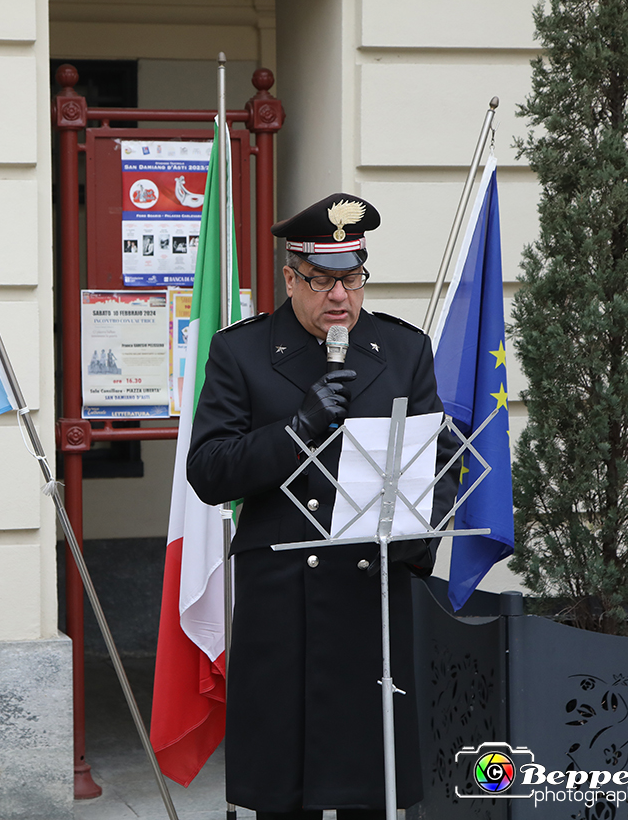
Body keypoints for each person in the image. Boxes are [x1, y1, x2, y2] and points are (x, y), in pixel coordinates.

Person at [187, 193, 459, 819]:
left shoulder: (403, 350)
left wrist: (419, 547)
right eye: (323, 280)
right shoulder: (243, 352)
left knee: (372, 785)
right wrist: (299, 427)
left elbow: (441, 463)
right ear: (291, 277)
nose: (340, 296)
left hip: (374, 594)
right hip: (286, 599)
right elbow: (208, 471)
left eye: (353, 278)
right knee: (289, 790)